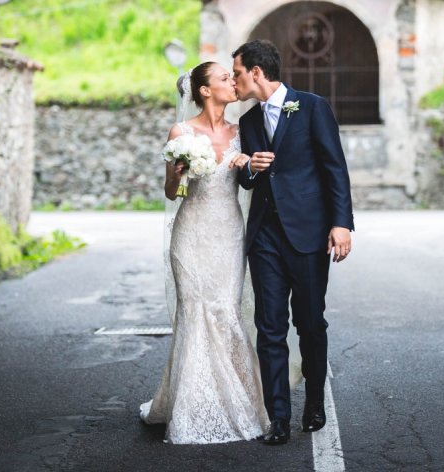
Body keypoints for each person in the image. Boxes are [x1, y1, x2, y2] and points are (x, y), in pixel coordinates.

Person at [139, 61, 269, 444]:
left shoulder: (243, 131)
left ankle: (236, 402)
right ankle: (191, 407)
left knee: (226, 310)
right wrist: (178, 173)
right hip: (191, 234)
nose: (234, 81)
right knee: (194, 312)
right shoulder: (181, 132)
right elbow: (170, 192)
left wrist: (248, 165)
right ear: (205, 90)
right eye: (225, 78)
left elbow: (248, 181)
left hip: (228, 233)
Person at [232, 39, 354, 446]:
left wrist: (341, 224)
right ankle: (278, 418)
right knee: (269, 328)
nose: (234, 81)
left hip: (307, 233)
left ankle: (314, 403)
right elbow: (246, 180)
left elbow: (334, 167)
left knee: (310, 323)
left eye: (236, 73)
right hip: (265, 235)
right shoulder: (248, 123)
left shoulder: (312, 106)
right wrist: (250, 165)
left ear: (255, 71)